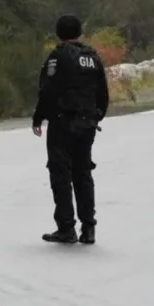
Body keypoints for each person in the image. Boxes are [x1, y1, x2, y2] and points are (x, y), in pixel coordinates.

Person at [32, 14, 110, 245]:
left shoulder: (59, 56)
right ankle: (89, 228)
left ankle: (66, 228)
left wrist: (38, 117)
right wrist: (95, 117)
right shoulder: (92, 58)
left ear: (59, 33)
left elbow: (48, 90)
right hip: (87, 125)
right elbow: (102, 94)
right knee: (83, 174)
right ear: (80, 33)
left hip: (63, 123)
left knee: (61, 175)